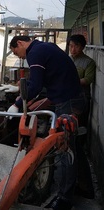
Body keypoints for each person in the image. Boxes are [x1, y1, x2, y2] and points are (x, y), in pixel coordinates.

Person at [8, 36, 86, 210]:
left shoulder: (34, 53)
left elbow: (35, 86)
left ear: (20, 43)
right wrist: (26, 94)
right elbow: (55, 78)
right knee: (74, 147)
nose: (20, 57)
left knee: (64, 149)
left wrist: (17, 104)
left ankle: (64, 199)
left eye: (16, 52)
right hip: (72, 97)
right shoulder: (45, 47)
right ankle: (85, 187)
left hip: (68, 102)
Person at [68, 34, 96, 199]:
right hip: (70, 100)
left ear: (82, 47)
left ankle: (83, 183)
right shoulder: (68, 60)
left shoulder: (88, 62)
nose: (72, 49)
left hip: (82, 102)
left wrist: (70, 81)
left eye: (76, 46)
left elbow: (89, 79)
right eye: (71, 45)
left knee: (78, 137)